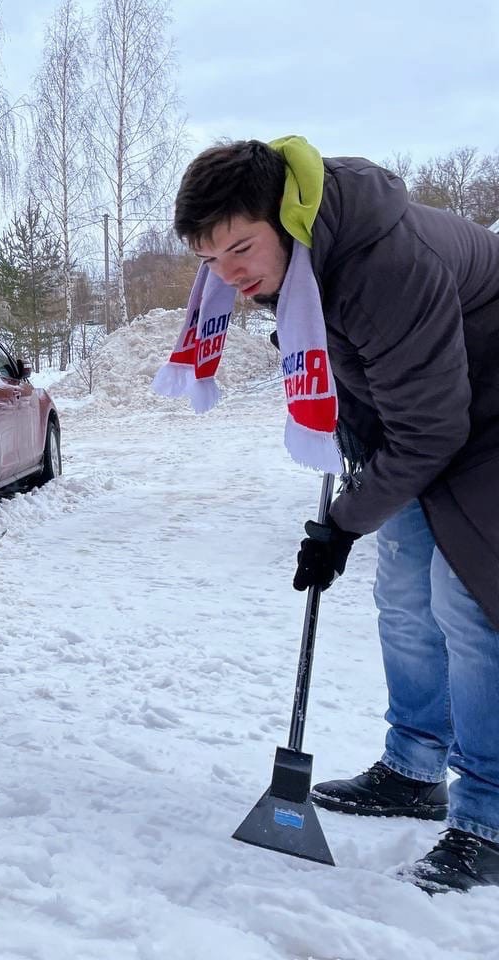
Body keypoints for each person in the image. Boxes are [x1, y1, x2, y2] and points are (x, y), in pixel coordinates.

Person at [172, 137, 499, 893]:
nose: (231, 274)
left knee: (469, 604)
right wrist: (349, 419)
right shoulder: (299, 262)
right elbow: (352, 357)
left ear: (288, 216)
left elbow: (435, 427)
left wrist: (343, 522)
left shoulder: (383, 262)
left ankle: (486, 818)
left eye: (242, 248)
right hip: (429, 406)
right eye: (213, 261)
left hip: (485, 414)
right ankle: (415, 767)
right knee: (404, 595)